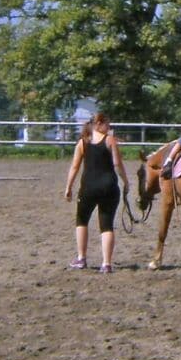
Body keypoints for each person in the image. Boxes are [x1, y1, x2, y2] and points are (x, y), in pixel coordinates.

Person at [64, 112, 129, 272]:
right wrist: (126, 181)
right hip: (109, 187)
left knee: (81, 221)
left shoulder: (82, 143)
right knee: (106, 225)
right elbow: (118, 165)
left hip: (88, 187)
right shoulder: (110, 141)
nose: (109, 127)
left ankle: (81, 258)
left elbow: (74, 167)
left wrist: (69, 187)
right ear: (99, 123)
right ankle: (106, 263)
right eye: (108, 124)